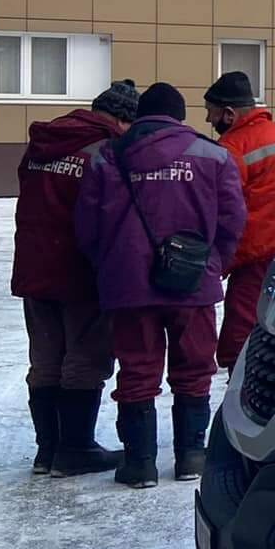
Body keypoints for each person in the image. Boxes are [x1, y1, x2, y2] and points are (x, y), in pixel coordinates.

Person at [75, 83, 245, 487]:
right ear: (179, 116)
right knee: (194, 368)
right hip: (193, 281)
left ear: (139, 116)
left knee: (136, 370)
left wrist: (111, 263)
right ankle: (191, 457)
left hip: (128, 283)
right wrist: (213, 262)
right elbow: (233, 219)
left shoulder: (107, 156)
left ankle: (140, 464)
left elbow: (87, 225)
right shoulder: (213, 154)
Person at [12, 79, 138, 475]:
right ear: (121, 120)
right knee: (85, 358)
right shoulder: (105, 151)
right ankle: (76, 448)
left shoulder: (43, 144)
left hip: (34, 268)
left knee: (46, 359)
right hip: (80, 272)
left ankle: (47, 450)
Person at [202, 70, 275, 371]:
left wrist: (220, 260)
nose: (208, 121)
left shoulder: (231, 148)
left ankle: (244, 397)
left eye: (211, 112)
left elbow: (225, 209)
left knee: (240, 340)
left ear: (229, 114)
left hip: (257, 256)